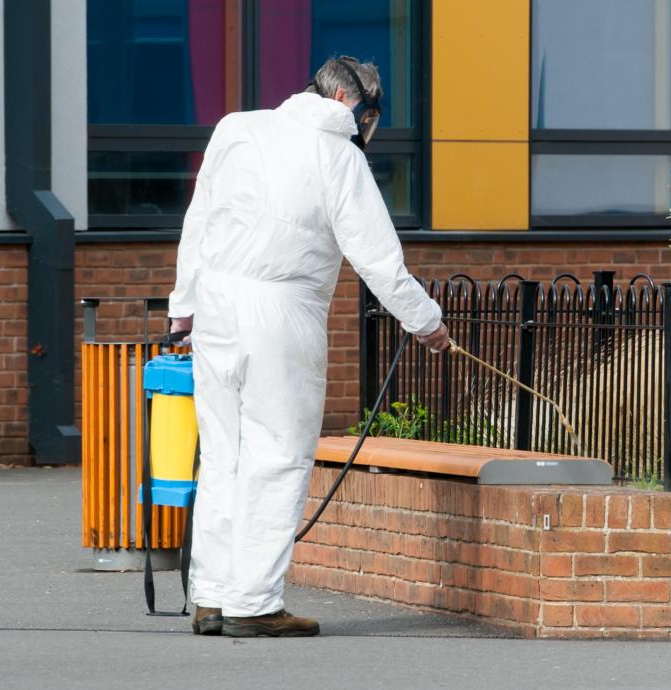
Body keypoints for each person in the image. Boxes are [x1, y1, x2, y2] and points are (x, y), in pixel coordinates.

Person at [167, 56, 449, 638]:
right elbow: (378, 261)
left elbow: (199, 222)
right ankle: (255, 603)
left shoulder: (236, 128)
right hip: (283, 311)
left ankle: (212, 597)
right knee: (277, 454)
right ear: (356, 106)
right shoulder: (340, 157)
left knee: (223, 455)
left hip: (216, 307)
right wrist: (427, 323)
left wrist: (182, 309)